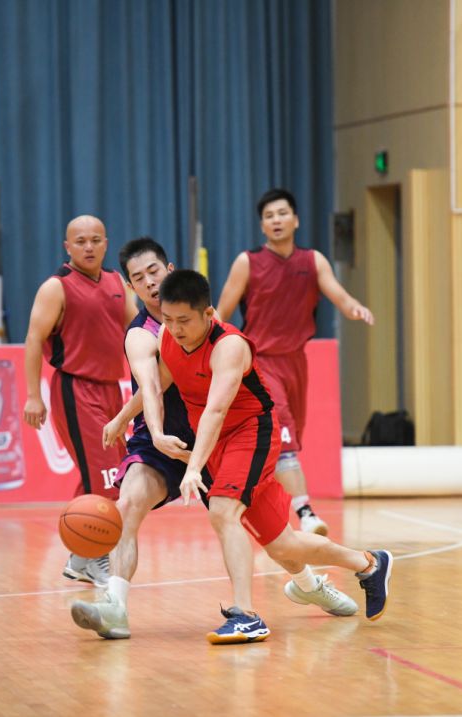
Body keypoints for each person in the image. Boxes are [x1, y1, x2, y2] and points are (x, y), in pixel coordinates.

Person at [72, 238, 361, 642]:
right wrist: (150, 430)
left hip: (214, 440)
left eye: (153, 272)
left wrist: (127, 419)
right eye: (138, 278)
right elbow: (151, 387)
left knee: (273, 538)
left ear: (169, 271)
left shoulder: (206, 322)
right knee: (129, 504)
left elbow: (219, 401)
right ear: (130, 286)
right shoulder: (141, 335)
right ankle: (114, 608)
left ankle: (310, 584)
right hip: (162, 443)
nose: (149, 283)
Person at [150, 270, 392, 643]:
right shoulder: (167, 337)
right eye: (167, 319)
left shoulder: (229, 346)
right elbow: (158, 384)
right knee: (283, 545)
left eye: (183, 320)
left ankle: (245, 615)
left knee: (223, 511)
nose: (174, 328)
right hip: (217, 442)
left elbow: (216, 410)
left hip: (250, 434)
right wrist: (123, 419)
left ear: (209, 313)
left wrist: (193, 466)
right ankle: (369, 564)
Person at [216, 187, 375, 536]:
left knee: (282, 444)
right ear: (262, 225)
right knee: (284, 436)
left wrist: (355, 309)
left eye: (282, 213)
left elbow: (340, 296)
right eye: (269, 216)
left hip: (296, 363)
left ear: (296, 220)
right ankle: (306, 513)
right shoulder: (247, 262)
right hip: (260, 363)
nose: (276, 220)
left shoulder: (313, 261)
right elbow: (221, 314)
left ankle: (258, 507)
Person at [23, 215, 138, 587]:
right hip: (75, 389)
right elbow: (32, 340)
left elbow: (137, 329)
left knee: (112, 475)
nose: (88, 247)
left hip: (111, 390)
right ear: (67, 246)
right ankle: (95, 557)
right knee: (106, 479)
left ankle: (80, 556)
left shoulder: (117, 282)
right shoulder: (56, 287)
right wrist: (33, 396)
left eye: (95, 240)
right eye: (81, 241)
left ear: (106, 243)